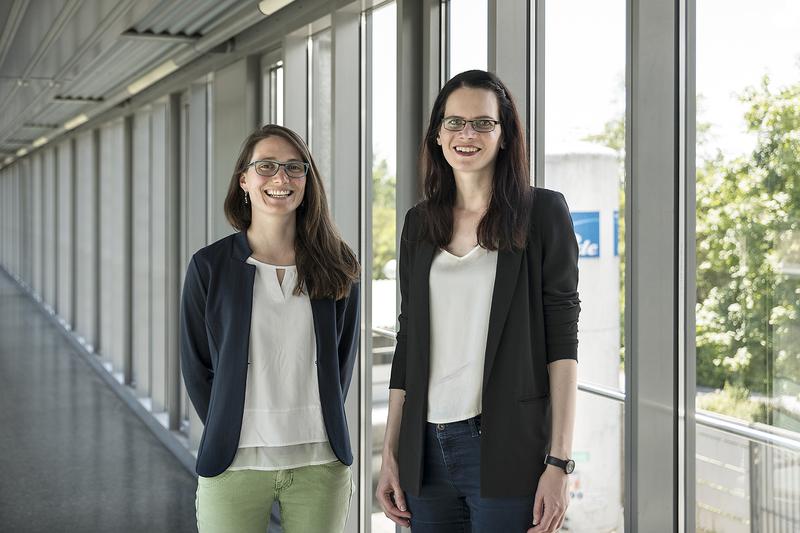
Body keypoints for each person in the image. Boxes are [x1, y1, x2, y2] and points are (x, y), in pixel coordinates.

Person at [376, 70, 581, 533]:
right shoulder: (419, 224)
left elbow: (563, 346)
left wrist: (560, 462)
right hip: (424, 453)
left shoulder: (543, 214)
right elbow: (408, 342)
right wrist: (391, 452)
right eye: (454, 123)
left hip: (507, 446)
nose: (466, 134)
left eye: (483, 123)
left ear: (505, 135)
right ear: (437, 134)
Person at [180, 124, 360, 533]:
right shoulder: (209, 267)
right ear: (244, 180)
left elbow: (342, 361)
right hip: (234, 462)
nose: (281, 178)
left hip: (320, 463)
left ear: (307, 180)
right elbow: (196, 366)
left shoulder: (338, 265)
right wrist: (227, 422)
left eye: (294, 167)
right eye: (266, 166)